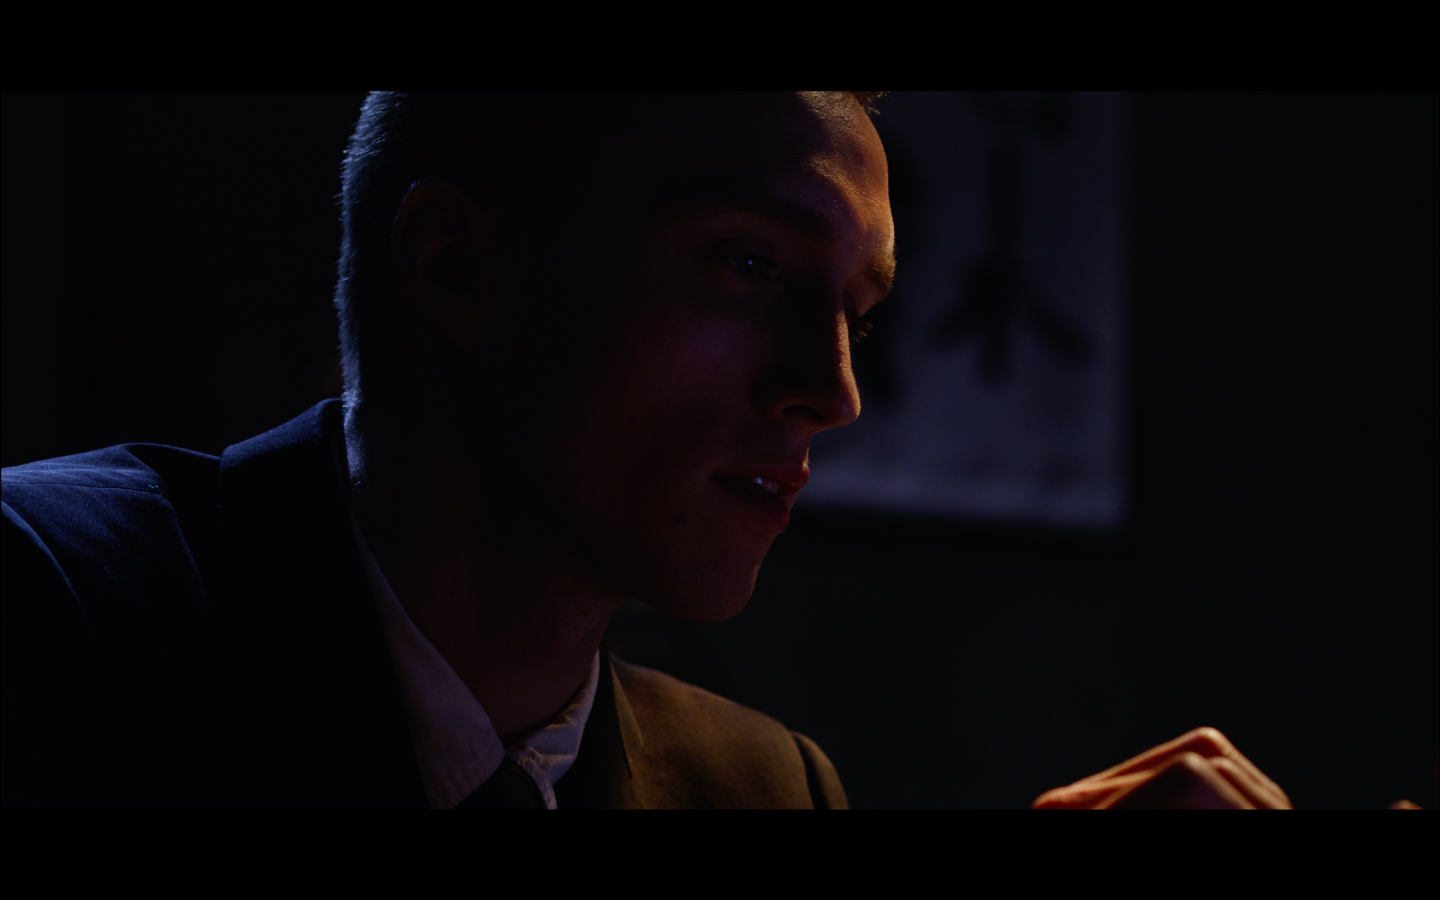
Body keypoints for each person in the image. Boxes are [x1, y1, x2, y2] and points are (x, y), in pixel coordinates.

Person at [1, 92, 1290, 809]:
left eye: (858, 314)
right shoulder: (50, 600)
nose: (832, 392)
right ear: (459, 268)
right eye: (748, 265)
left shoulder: (761, 786)